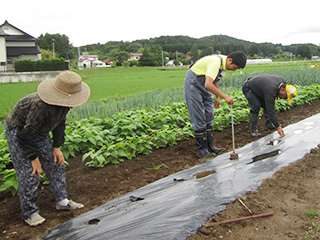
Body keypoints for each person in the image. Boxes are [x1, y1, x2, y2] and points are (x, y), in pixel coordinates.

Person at [5, 71, 90, 226]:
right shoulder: (41, 105)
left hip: (39, 131)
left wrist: (56, 147)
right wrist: (34, 159)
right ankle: (29, 212)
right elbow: (26, 134)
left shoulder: (64, 105)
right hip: (19, 132)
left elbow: (59, 123)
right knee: (30, 172)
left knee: (56, 162)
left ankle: (62, 201)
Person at [184, 51, 247, 157]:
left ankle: (210, 146)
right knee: (199, 116)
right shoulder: (215, 62)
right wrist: (225, 97)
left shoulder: (224, 65)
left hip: (205, 84)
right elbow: (208, 84)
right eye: (234, 67)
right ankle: (202, 150)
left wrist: (217, 97)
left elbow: (214, 79)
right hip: (193, 84)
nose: (234, 70)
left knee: (209, 115)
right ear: (230, 60)